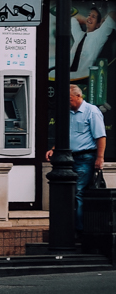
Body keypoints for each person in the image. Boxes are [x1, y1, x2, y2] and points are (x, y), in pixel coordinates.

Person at [45, 84, 107, 232]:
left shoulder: (92, 111)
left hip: (85, 157)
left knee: (77, 191)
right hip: (67, 157)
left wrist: (100, 158)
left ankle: (78, 230)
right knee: (68, 192)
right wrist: (54, 149)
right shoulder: (67, 113)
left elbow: (100, 136)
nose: (67, 102)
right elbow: (67, 135)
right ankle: (69, 227)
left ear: (79, 96)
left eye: (69, 99)